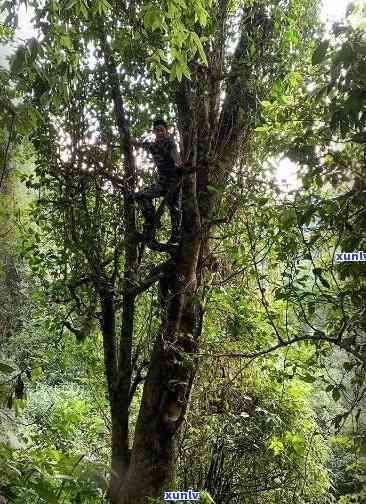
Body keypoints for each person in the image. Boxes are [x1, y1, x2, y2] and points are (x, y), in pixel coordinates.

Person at [131, 118, 182, 246]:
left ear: (166, 131)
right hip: (161, 183)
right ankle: (153, 220)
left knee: (175, 210)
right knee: (140, 195)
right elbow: (140, 144)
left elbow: (176, 157)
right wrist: (128, 139)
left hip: (173, 183)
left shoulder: (170, 143)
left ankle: (175, 239)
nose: (160, 133)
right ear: (154, 132)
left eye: (162, 130)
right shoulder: (153, 146)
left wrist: (179, 165)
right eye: (157, 130)